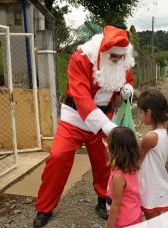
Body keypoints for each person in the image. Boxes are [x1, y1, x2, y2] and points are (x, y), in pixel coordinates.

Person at [33, 26, 135, 228]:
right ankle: (45, 207)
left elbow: (128, 80)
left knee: (105, 162)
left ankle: (102, 200)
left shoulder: (121, 59)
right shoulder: (80, 58)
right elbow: (81, 98)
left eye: (120, 58)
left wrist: (127, 89)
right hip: (75, 118)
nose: (117, 61)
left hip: (105, 116)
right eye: (113, 58)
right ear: (103, 52)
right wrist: (108, 128)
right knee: (58, 157)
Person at [137, 89, 168, 220]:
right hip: (158, 184)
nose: (140, 116)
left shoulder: (151, 136)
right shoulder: (166, 132)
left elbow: (137, 159)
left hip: (151, 187)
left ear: (149, 112)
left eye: (141, 112)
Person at [103, 127, 142, 228]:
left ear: (114, 150)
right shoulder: (130, 164)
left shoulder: (118, 176)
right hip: (133, 215)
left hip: (123, 222)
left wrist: (109, 224)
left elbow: (116, 203)